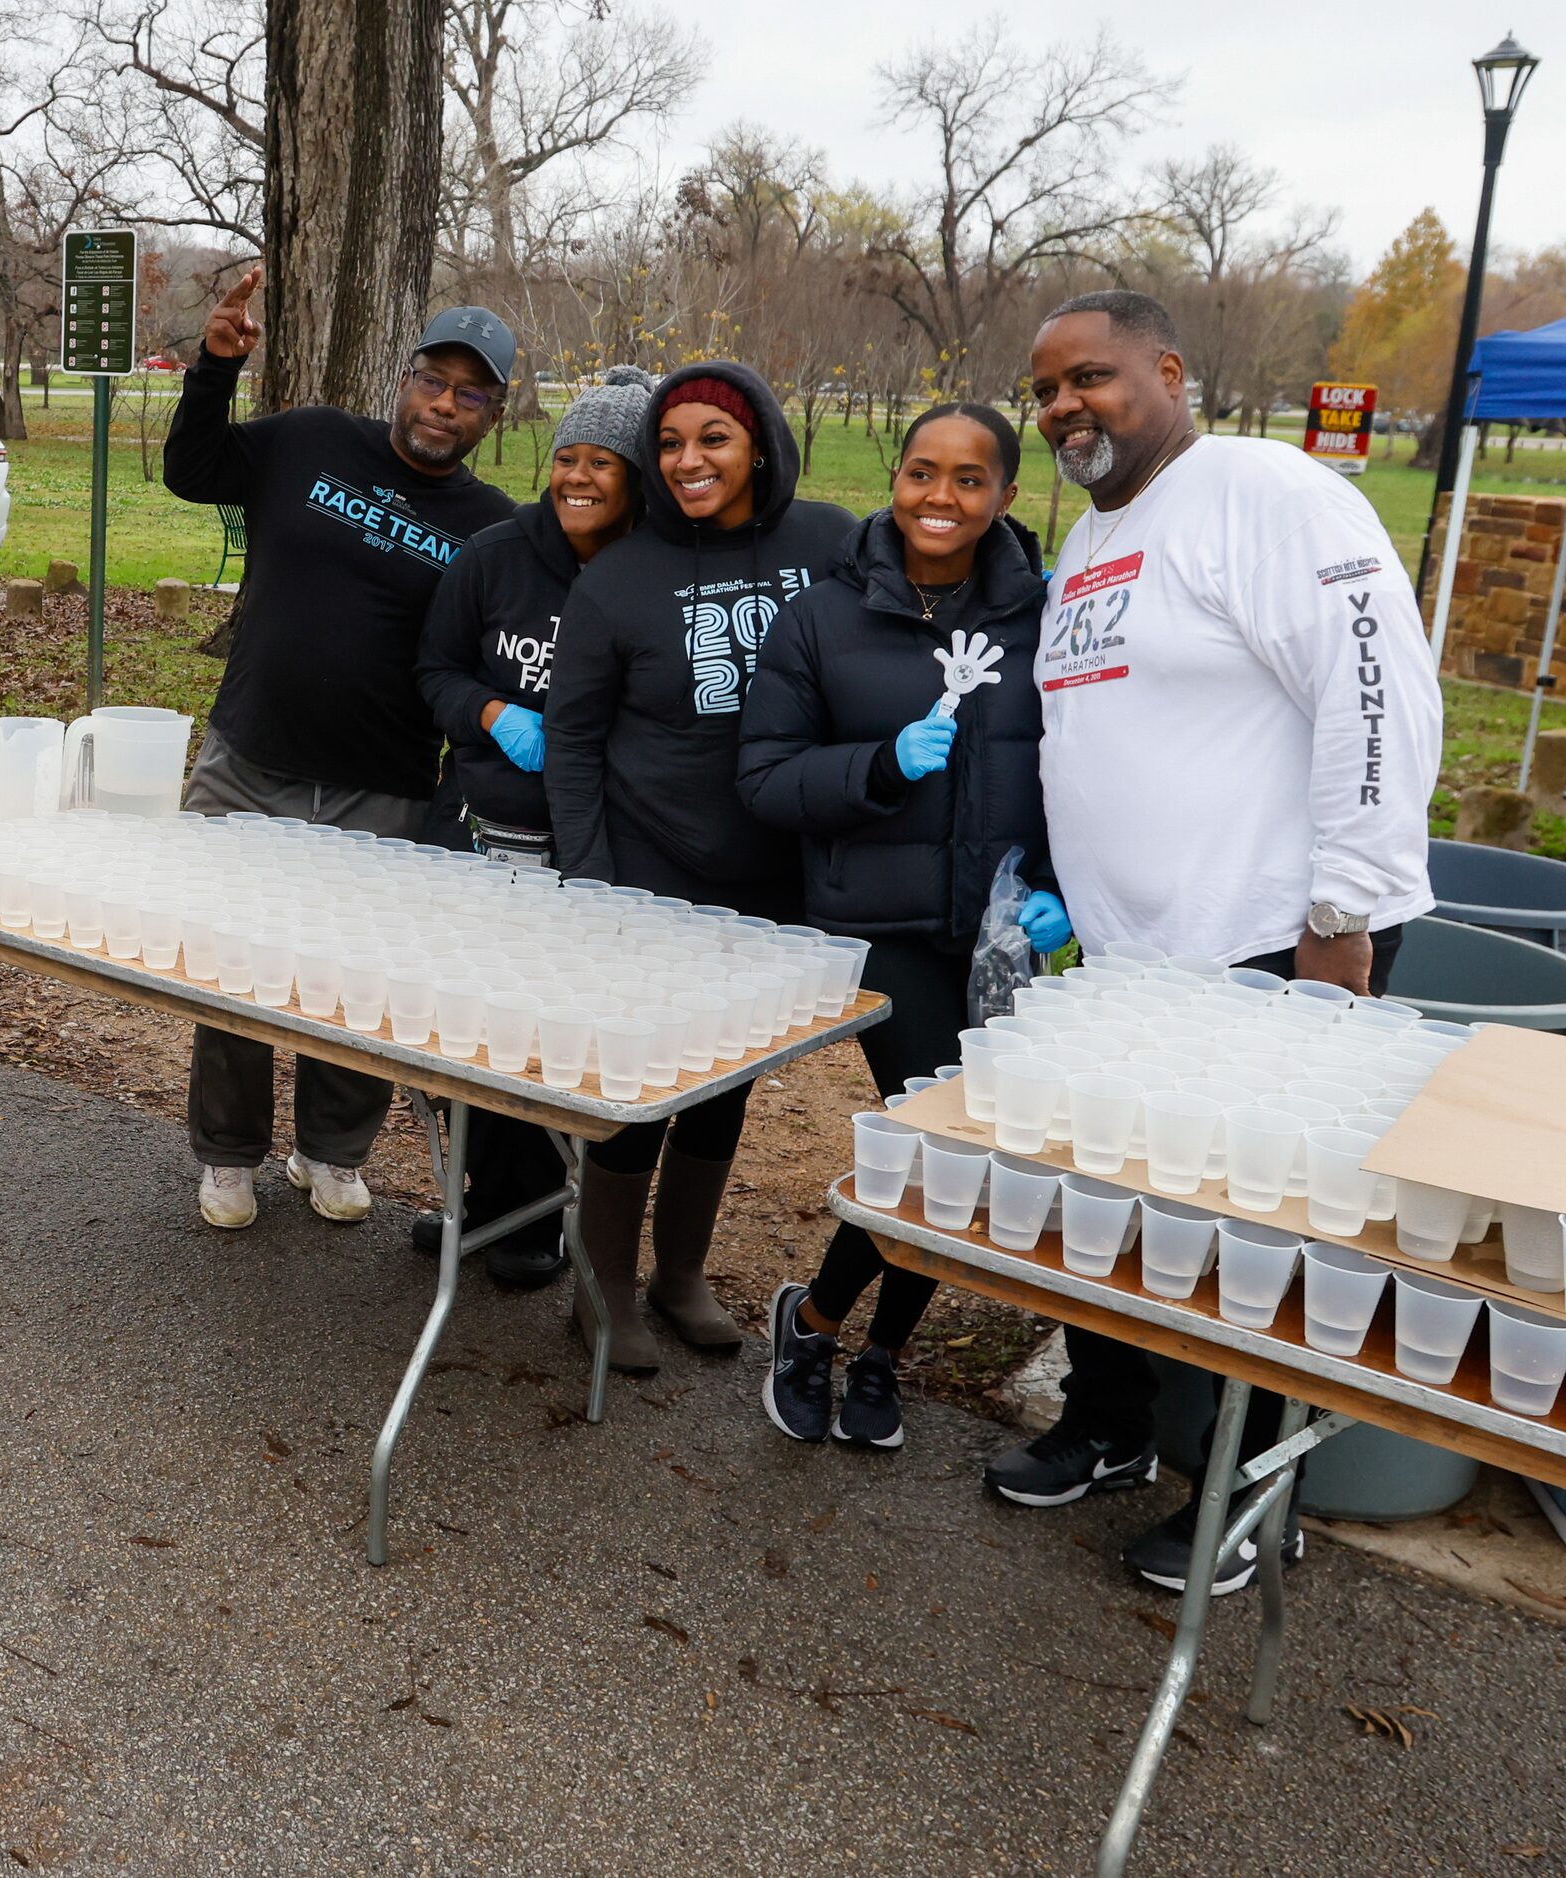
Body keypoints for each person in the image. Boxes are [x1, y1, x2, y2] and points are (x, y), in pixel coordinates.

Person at [981, 290, 1440, 1596]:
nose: (1065, 403)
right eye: (1047, 387)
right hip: (1132, 969)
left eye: (1091, 376)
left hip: (1271, 951)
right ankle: (1111, 1423)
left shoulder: (1265, 494)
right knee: (1110, 1208)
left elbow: (1375, 694)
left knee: (1265, 1245)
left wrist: (1341, 922)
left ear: (1168, 371)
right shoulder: (1093, 539)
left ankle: (1251, 1492)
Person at [738, 401, 1067, 1448]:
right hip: (871, 920)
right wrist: (879, 767)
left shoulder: (1046, 618)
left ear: (1004, 496)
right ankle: (821, 1327)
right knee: (938, 1139)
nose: (940, 497)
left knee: (960, 1152)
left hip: (995, 926)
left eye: (968, 480)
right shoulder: (821, 617)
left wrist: (1059, 883)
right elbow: (762, 780)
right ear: (896, 478)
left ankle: (879, 1350)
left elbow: (1082, 770)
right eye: (921, 473)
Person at [162, 268, 519, 1229]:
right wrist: (215, 369)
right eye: (432, 380)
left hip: (386, 786)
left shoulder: (493, 530)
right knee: (232, 971)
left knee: (355, 984)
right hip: (252, 763)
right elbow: (193, 473)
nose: (444, 404)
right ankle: (230, 1155)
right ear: (403, 378)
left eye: (470, 392)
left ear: (494, 411)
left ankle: (332, 1153)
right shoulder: (312, 438)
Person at [542, 362, 857, 1370]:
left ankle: (678, 1276)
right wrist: (588, 877)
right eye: (668, 444)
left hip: (771, 877)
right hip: (647, 876)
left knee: (726, 1084)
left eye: (711, 440)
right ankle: (600, 1292)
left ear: (757, 443)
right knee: (635, 1091)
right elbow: (574, 740)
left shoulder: (828, 543)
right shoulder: (617, 578)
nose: (687, 462)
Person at [409, 364, 653, 1288]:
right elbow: (435, 672)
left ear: (634, 480)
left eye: (603, 463)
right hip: (473, 829)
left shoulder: (647, 576)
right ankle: (476, 1202)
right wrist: (491, 716)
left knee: (542, 1038)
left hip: (583, 845)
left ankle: (534, 1221)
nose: (579, 478)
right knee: (460, 1028)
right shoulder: (495, 555)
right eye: (567, 459)